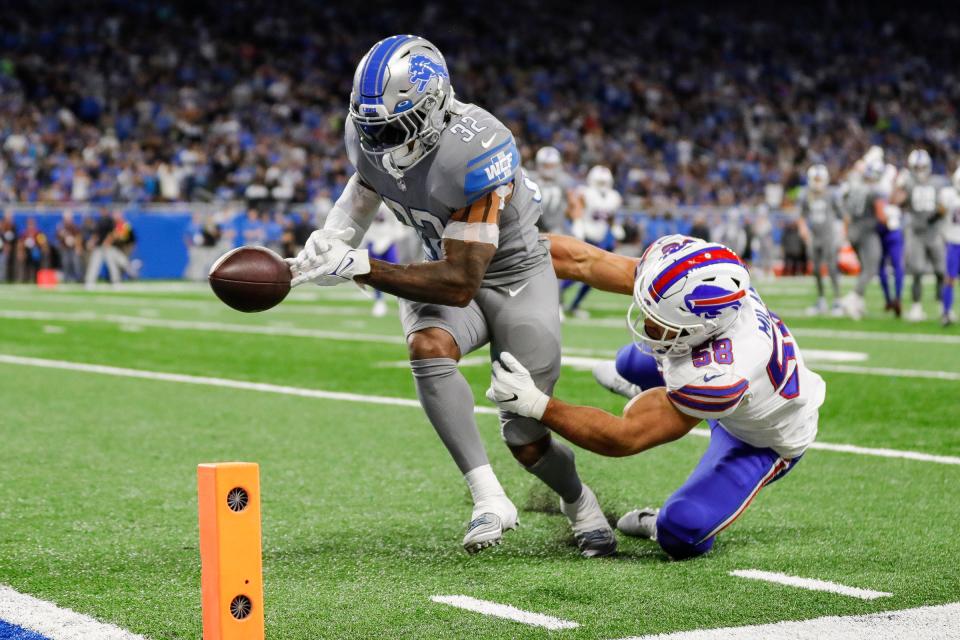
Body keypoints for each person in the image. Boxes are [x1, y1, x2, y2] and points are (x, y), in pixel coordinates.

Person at [286, 35, 615, 557]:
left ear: (435, 106)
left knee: (523, 429)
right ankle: (488, 497)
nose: (381, 141)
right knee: (428, 347)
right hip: (441, 261)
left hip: (511, 275)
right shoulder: (367, 132)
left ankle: (580, 503)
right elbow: (365, 186)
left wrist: (362, 266)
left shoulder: (477, 145)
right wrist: (333, 236)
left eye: (394, 127)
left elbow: (462, 281)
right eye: (371, 127)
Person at [487, 234, 826, 559]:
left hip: (759, 439)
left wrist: (535, 403)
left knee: (680, 532)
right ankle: (652, 391)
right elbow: (585, 261)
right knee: (629, 361)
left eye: (659, 321)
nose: (647, 321)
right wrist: (503, 247)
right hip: (717, 380)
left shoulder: (721, 376)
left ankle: (662, 508)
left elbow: (624, 437)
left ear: (701, 330)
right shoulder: (701, 289)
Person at [563, 165, 623, 318]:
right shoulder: (585, 193)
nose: (602, 185)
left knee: (593, 277)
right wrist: (578, 225)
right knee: (576, 273)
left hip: (599, 239)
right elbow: (572, 210)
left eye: (605, 182)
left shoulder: (614, 196)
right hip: (584, 237)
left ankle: (574, 305)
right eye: (599, 182)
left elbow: (610, 216)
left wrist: (615, 226)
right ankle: (556, 298)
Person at [839, 155, 887, 320]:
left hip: (853, 232)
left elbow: (846, 212)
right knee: (870, 268)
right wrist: (889, 222)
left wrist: (846, 232)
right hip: (867, 232)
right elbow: (881, 216)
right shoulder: (874, 190)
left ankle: (858, 302)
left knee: (864, 268)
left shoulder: (854, 188)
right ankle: (852, 298)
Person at [901, 149, 946, 322]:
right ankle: (916, 307)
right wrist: (899, 187)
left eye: (922, 167)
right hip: (917, 232)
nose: (920, 170)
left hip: (934, 232)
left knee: (941, 271)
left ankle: (943, 305)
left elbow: (944, 206)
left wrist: (940, 212)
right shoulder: (908, 183)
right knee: (917, 271)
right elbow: (897, 201)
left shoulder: (938, 182)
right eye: (916, 167)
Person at [797, 164, 842, 315]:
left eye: (819, 179)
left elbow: (843, 215)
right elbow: (801, 216)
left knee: (832, 268)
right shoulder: (806, 195)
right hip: (814, 236)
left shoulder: (831, 194)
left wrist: (842, 233)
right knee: (816, 269)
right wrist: (803, 229)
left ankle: (837, 300)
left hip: (829, 235)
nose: (817, 182)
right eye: (815, 179)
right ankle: (821, 299)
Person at [365, 204, 405, 317]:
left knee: (397, 273)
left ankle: (403, 302)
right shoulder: (367, 198)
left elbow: (396, 221)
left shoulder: (387, 201)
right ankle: (379, 301)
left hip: (389, 240)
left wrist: (389, 238)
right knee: (373, 274)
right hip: (372, 239)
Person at [938, 167, 960, 327]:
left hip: (952, 241)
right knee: (950, 279)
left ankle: (946, 312)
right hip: (953, 242)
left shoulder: (949, 195)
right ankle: (946, 311)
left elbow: (940, 211)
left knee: (950, 279)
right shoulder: (949, 196)